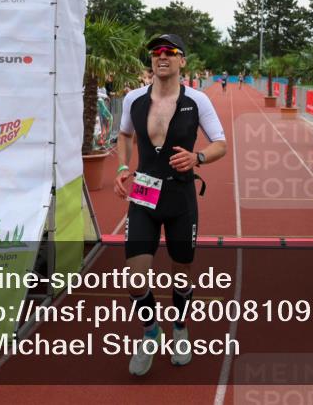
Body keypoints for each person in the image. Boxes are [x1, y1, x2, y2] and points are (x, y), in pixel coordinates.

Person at [114, 34, 227, 377]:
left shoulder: (198, 100)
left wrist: (198, 157)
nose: (161, 56)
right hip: (144, 196)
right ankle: (151, 332)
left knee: (181, 274)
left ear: (182, 61)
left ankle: (179, 327)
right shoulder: (134, 99)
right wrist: (122, 167)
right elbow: (124, 135)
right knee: (135, 278)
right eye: (156, 52)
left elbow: (220, 143)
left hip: (180, 197)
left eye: (169, 52)